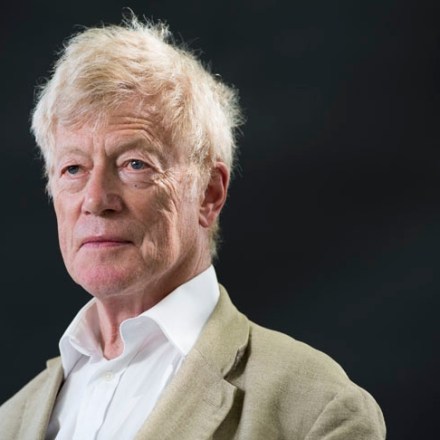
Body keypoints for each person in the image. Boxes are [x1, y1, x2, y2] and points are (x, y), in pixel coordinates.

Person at [0, 13, 386, 440]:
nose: (95, 200)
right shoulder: (10, 421)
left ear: (209, 193)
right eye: (73, 168)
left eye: (134, 164)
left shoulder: (316, 412)